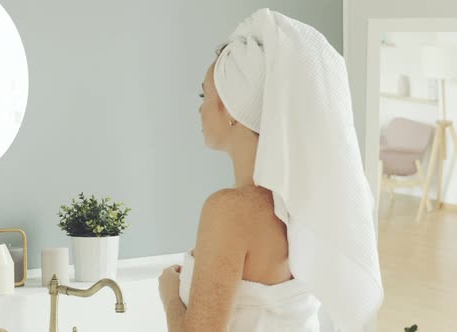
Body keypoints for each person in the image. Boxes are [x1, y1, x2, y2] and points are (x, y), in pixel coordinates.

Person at [158, 8, 383, 332]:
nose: (200, 107)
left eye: (204, 94)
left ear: (233, 107)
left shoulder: (229, 211)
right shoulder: (309, 207)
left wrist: (169, 296)